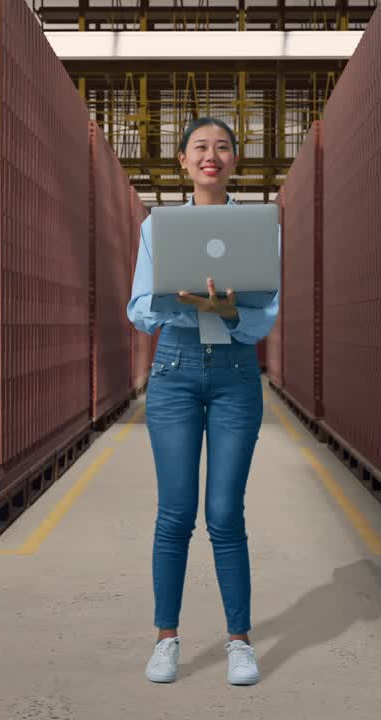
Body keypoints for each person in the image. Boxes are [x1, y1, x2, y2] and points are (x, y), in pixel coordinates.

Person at [125, 117, 280, 686]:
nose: (210, 156)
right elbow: (138, 308)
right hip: (176, 371)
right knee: (175, 514)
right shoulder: (157, 227)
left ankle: (239, 641)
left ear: (233, 161)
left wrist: (230, 312)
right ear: (183, 163)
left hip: (236, 376)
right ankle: (167, 639)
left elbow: (267, 313)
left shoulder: (262, 227)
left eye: (221, 147)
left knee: (223, 514)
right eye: (199, 148)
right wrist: (185, 305)